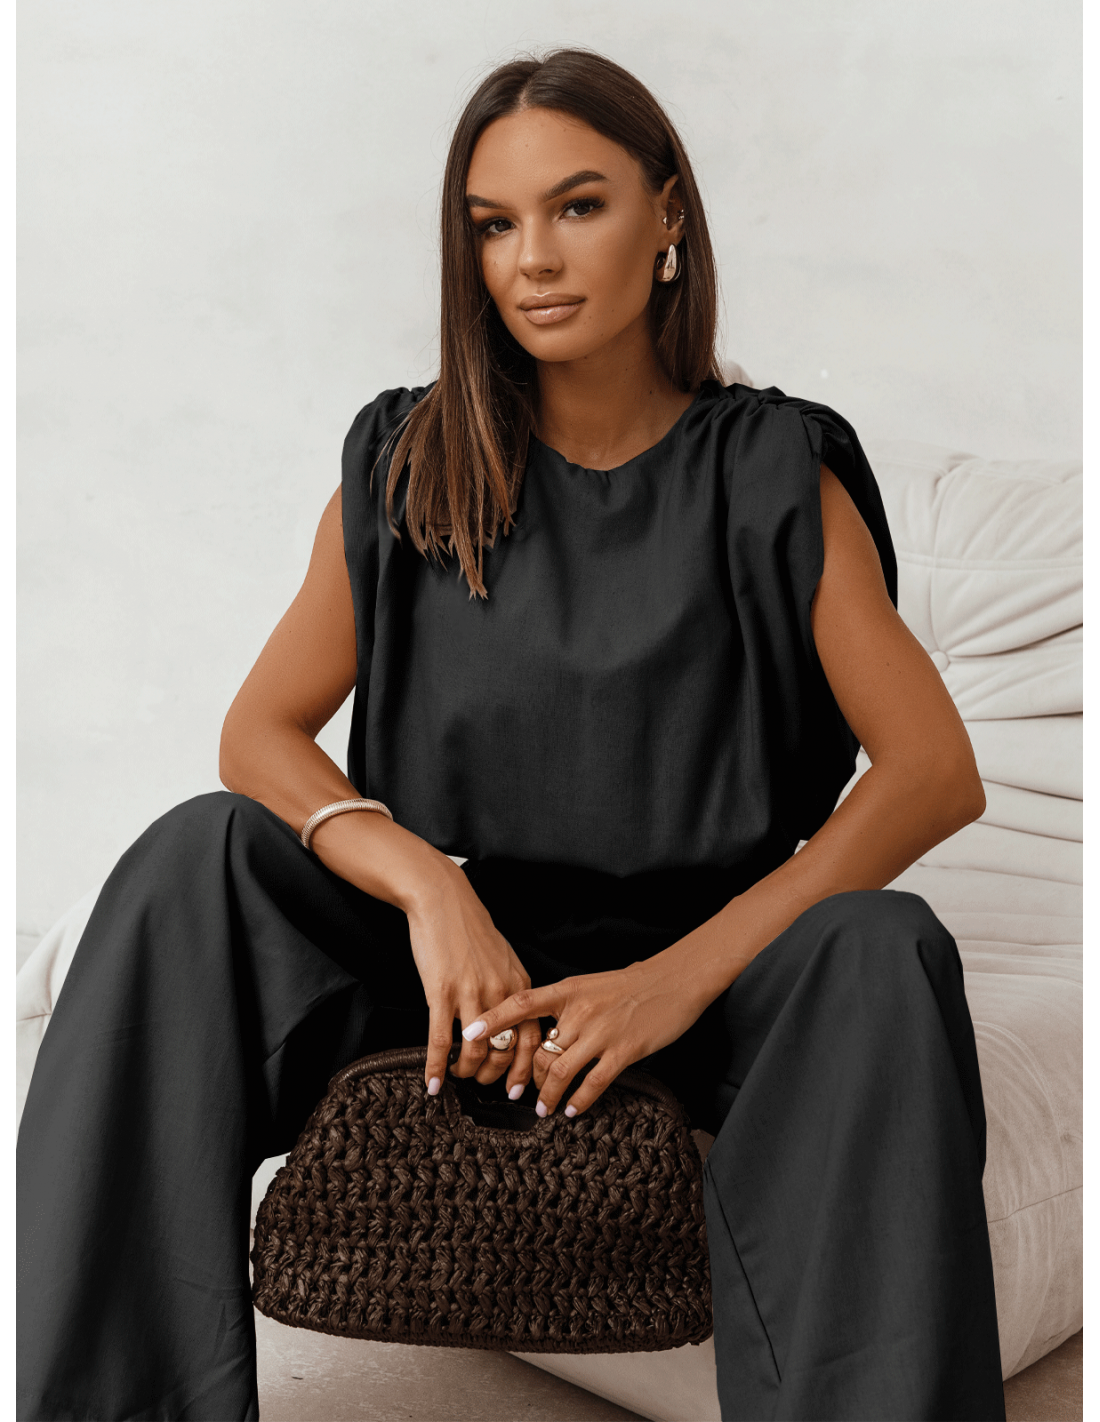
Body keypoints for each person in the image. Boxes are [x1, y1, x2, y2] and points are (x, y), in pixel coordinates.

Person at [17, 47, 1006, 1422]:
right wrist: (430, 890)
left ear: (669, 215)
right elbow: (258, 732)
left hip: (705, 981)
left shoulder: (771, 473)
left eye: (577, 206)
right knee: (199, 857)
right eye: (494, 224)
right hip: (448, 979)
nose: (532, 258)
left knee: (885, 946)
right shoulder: (410, 461)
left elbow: (933, 772)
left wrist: (669, 981)